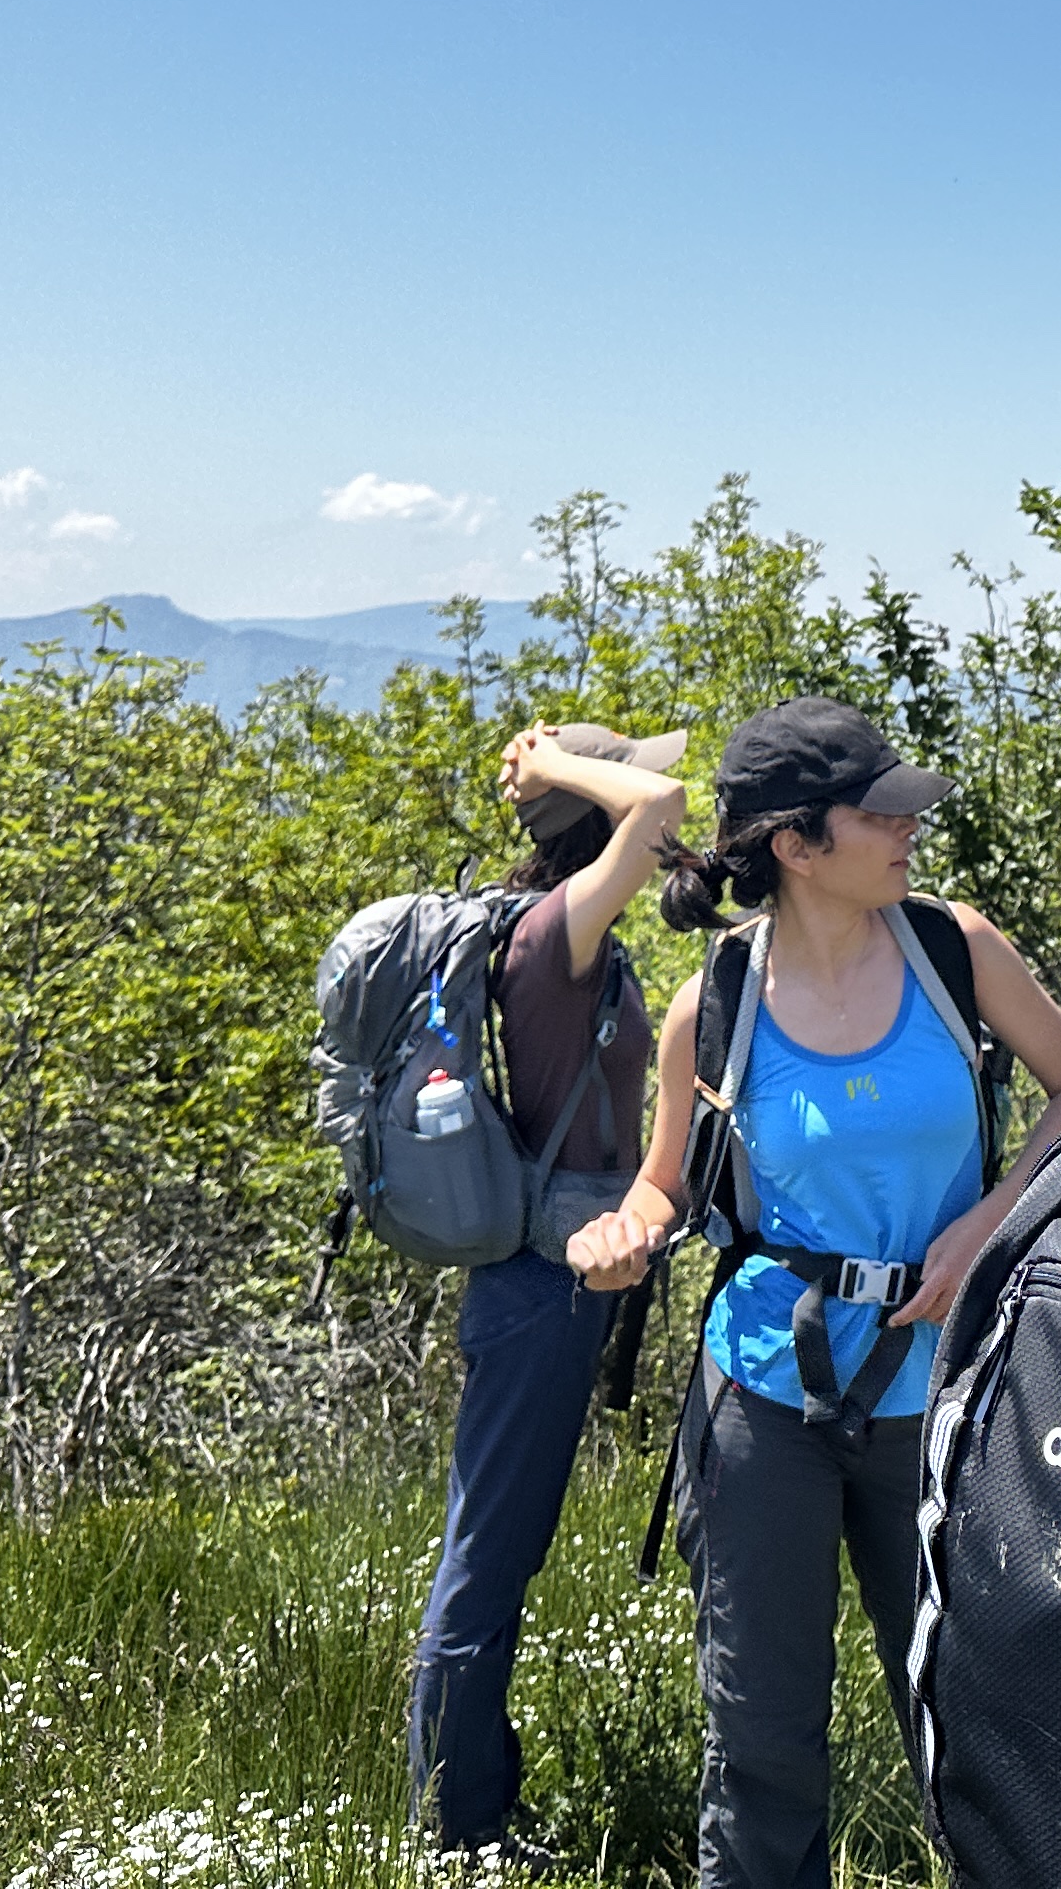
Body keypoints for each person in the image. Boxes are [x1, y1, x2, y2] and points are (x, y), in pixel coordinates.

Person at [566, 698, 1061, 1889]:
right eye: (881, 813)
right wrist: (622, 1233)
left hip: (946, 1391)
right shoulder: (716, 1003)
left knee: (976, 1712)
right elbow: (664, 1183)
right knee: (761, 1735)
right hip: (763, 1398)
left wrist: (986, 1226)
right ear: (797, 846)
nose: (910, 829)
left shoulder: (955, 951)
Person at [410, 719, 697, 1853]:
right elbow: (662, 807)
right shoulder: (551, 935)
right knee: (490, 1553)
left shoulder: (570, 934)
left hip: (553, 1285)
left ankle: (473, 1806)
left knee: (502, 1545)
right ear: (594, 815)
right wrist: (553, 769)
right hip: (537, 1290)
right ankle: (458, 1829)